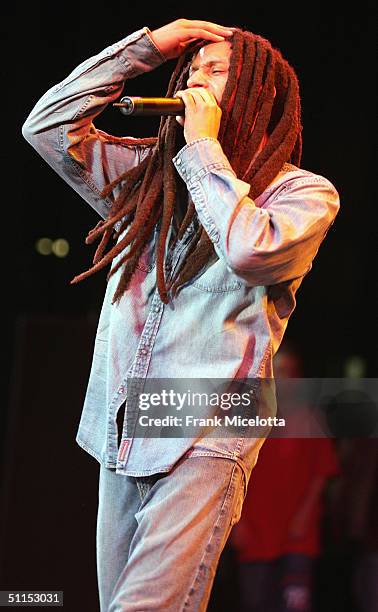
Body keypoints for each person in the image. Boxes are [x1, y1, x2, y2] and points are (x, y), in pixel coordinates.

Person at [22, 18, 340, 612]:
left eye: (217, 72)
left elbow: (251, 252)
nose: (196, 82)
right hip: (124, 418)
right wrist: (145, 50)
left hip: (210, 423)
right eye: (192, 70)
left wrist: (202, 149)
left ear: (255, 93)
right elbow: (46, 127)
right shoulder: (148, 182)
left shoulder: (301, 193)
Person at [229, 343, 340, 612]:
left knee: (295, 604)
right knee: (257, 604)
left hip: (297, 535)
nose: (285, 379)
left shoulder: (310, 419)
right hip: (256, 533)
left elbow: (321, 474)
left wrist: (304, 515)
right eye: (278, 371)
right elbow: (229, 474)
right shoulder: (247, 418)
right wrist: (235, 524)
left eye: (290, 371)